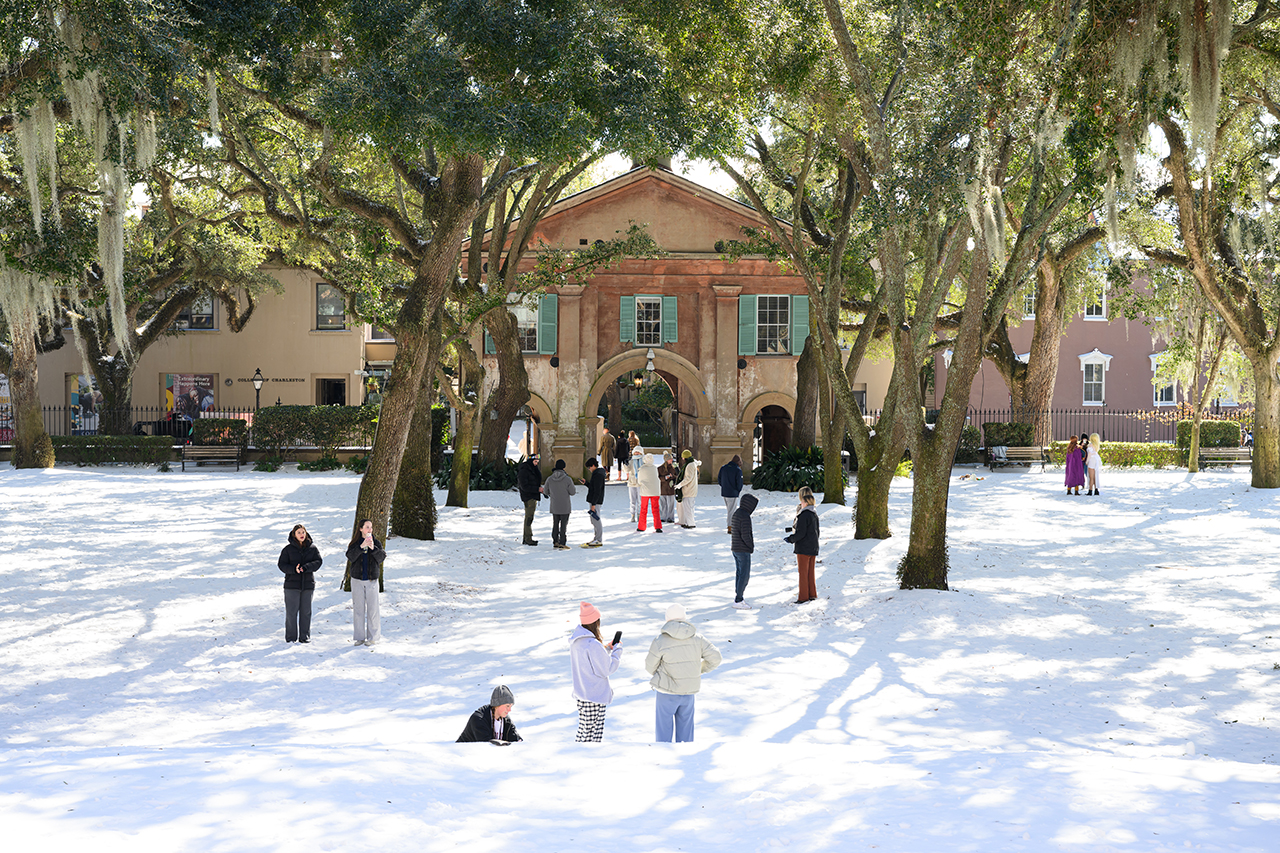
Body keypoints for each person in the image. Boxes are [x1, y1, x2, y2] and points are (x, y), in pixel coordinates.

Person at [644, 603, 722, 743]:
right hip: (688, 691)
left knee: (663, 734)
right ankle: (686, 762)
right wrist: (697, 670)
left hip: (666, 693)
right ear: (684, 617)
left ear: (667, 618)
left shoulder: (660, 640)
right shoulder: (698, 639)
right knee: (686, 734)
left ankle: (663, 760)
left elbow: (650, 667)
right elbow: (715, 658)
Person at [569, 601, 622, 742]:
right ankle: (585, 758)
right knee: (593, 736)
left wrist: (607, 649)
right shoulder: (593, 644)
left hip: (582, 694)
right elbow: (606, 669)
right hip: (595, 695)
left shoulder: (577, 641)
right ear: (595, 622)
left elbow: (589, 661)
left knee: (584, 731)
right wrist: (617, 651)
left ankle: (580, 755)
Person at [277, 523, 322, 643]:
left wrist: (307, 567)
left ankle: (304, 636)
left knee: (306, 612)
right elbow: (281, 565)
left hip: (308, 585)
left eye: (303, 532)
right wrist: (293, 569)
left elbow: (318, 562)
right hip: (291, 585)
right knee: (291, 612)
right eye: (299, 533)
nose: (301, 535)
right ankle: (291, 638)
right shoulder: (288, 549)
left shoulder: (312, 548)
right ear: (294, 535)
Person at [345, 518, 386, 646]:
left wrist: (373, 548)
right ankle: (359, 637)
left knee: (373, 609)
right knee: (358, 609)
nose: (370, 530)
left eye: (371, 527)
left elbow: (381, 558)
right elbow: (350, 557)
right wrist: (361, 547)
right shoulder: (355, 543)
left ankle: (373, 637)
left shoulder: (376, 543)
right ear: (361, 529)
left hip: (371, 580)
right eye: (367, 527)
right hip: (357, 580)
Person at [785, 486, 820, 603]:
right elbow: (816, 531)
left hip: (804, 548)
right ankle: (812, 594)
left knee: (803, 573)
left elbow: (801, 533)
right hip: (813, 547)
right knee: (810, 572)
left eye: (802, 501)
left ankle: (803, 596)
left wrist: (791, 539)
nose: (801, 503)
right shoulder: (814, 514)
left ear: (806, 503)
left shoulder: (804, 515)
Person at [456, 685, 523, 743]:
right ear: (497, 704)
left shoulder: (506, 721)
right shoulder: (479, 719)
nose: (509, 710)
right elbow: (485, 745)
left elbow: (515, 740)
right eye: (507, 706)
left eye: (511, 706)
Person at [730, 493, 758, 609]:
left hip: (735, 548)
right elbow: (746, 535)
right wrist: (751, 546)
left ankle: (738, 595)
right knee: (744, 575)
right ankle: (739, 599)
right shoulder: (745, 516)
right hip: (743, 549)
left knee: (739, 573)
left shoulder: (737, 513)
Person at [545, 459, 577, 550]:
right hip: (565, 506)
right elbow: (572, 492)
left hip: (554, 505)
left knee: (555, 523)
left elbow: (546, 491)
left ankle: (555, 541)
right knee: (563, 525)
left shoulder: (550, 479)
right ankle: (562, 542)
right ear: (563, 467)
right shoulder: (567, 479)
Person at [517, 452, 543, 546]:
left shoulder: (533, 469)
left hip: (533, 495)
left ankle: (527, 537)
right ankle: (527, 538)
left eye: (537, 462)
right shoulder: (524, 470)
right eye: (535, 461)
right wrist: (537, 489)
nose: (536, 463)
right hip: (529, 496)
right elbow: (524, 486)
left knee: (530, 517)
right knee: (529, 517)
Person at [581, 457, 606, 547]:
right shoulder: (597, 473)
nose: (589, 469)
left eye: (589, 467)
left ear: (593, 465)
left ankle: (598, 539)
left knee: (596, 519)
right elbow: (593, 487)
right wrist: (586, 483)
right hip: (594, 500)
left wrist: (593, 504)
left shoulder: (598, 475)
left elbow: (597, 490)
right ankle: (596, 538)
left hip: (595, 501)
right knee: (594, 519)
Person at [636, 453, 663, 532]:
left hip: (645, 491)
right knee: (656, 509)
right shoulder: (654, 468)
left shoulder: (642, 469)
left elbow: (639, 480)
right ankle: (658, 526)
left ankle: (642, 527)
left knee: (643, 509)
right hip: (655, 491)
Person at [718, 454, 744, 534]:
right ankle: (731, 527)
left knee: (730, 510)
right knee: (731, 511)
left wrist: (724, 487)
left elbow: (719, 479)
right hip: (733, 493)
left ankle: (731, 526)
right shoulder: (737, 470)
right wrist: (738, 491)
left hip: (725, 492)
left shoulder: (723, 468)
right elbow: (739, 483)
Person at [676, 449, 701, 528]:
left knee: (688, 508)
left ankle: (690, 524)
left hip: (688, 490)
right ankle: (689, 522)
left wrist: (680, 484)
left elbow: (688, 478)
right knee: (690, 507)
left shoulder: (689, 465)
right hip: (691, 490)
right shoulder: (692, 463)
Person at [658, 451, 678, 524]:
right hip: (662, 489)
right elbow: (657, 478)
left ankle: (670, 518)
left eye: (672, 459)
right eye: (670, 459)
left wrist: (673, 478)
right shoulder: (660, 468)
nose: (671, 460)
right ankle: (662, 517)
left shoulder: (674, 468)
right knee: (663, 505)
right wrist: (665, 478)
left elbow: (678, 476)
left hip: (670, 489)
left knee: (670, 505)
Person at [626, 446, 642, 523]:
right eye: (636, 452)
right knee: (632, 501)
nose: (637, 453)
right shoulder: (631, 461)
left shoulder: (643, 461)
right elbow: (627, 469)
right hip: (632, 483)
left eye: (638, 452)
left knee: (640, 501)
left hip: (640, 483)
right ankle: (632, 515)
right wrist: (625, 464)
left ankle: (639, 515)